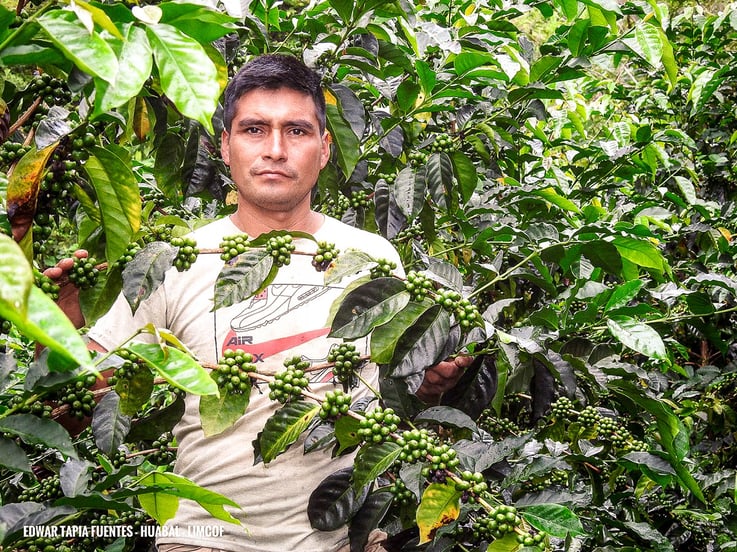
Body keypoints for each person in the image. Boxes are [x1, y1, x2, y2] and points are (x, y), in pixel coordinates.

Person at [46, 53, 468, 552]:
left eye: (296, 131)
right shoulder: (171, 264)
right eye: (253, 129)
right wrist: (61, 323)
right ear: (224, 146)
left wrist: (435, 381)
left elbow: (395, 404)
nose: (274, 149)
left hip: (343, 540)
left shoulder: (373, 258)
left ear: (325, 149)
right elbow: (66, 411)